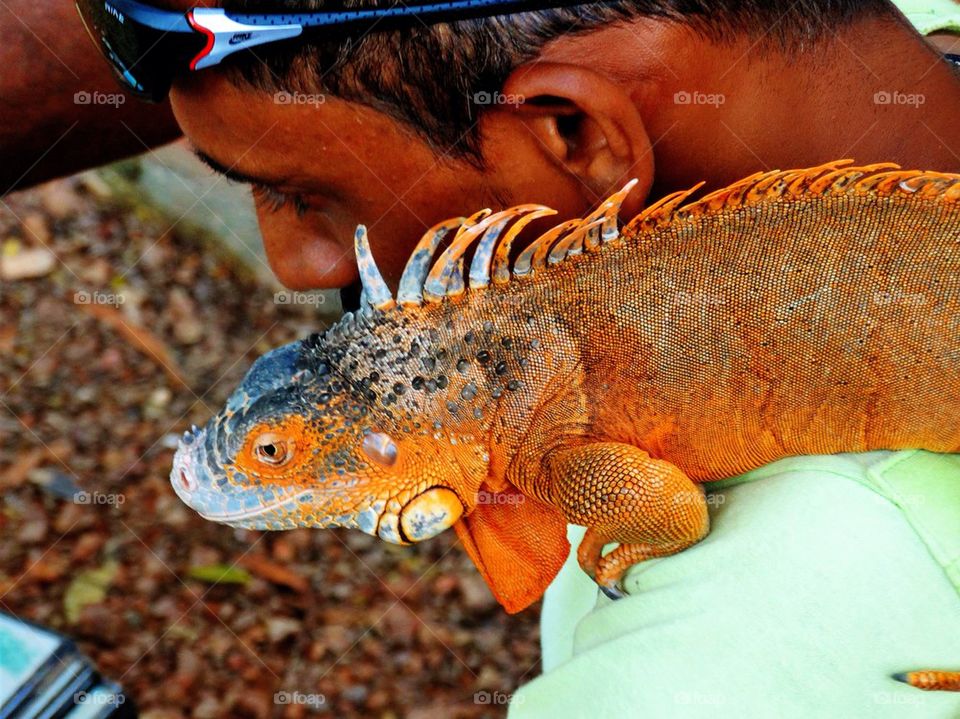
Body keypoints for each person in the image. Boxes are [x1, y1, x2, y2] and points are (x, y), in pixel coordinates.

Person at [4, 0, 960, 716]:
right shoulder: (883, 45)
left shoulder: (698, 670)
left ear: (573, 132)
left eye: (302, 191)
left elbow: (664, 508)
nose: (295, 262)